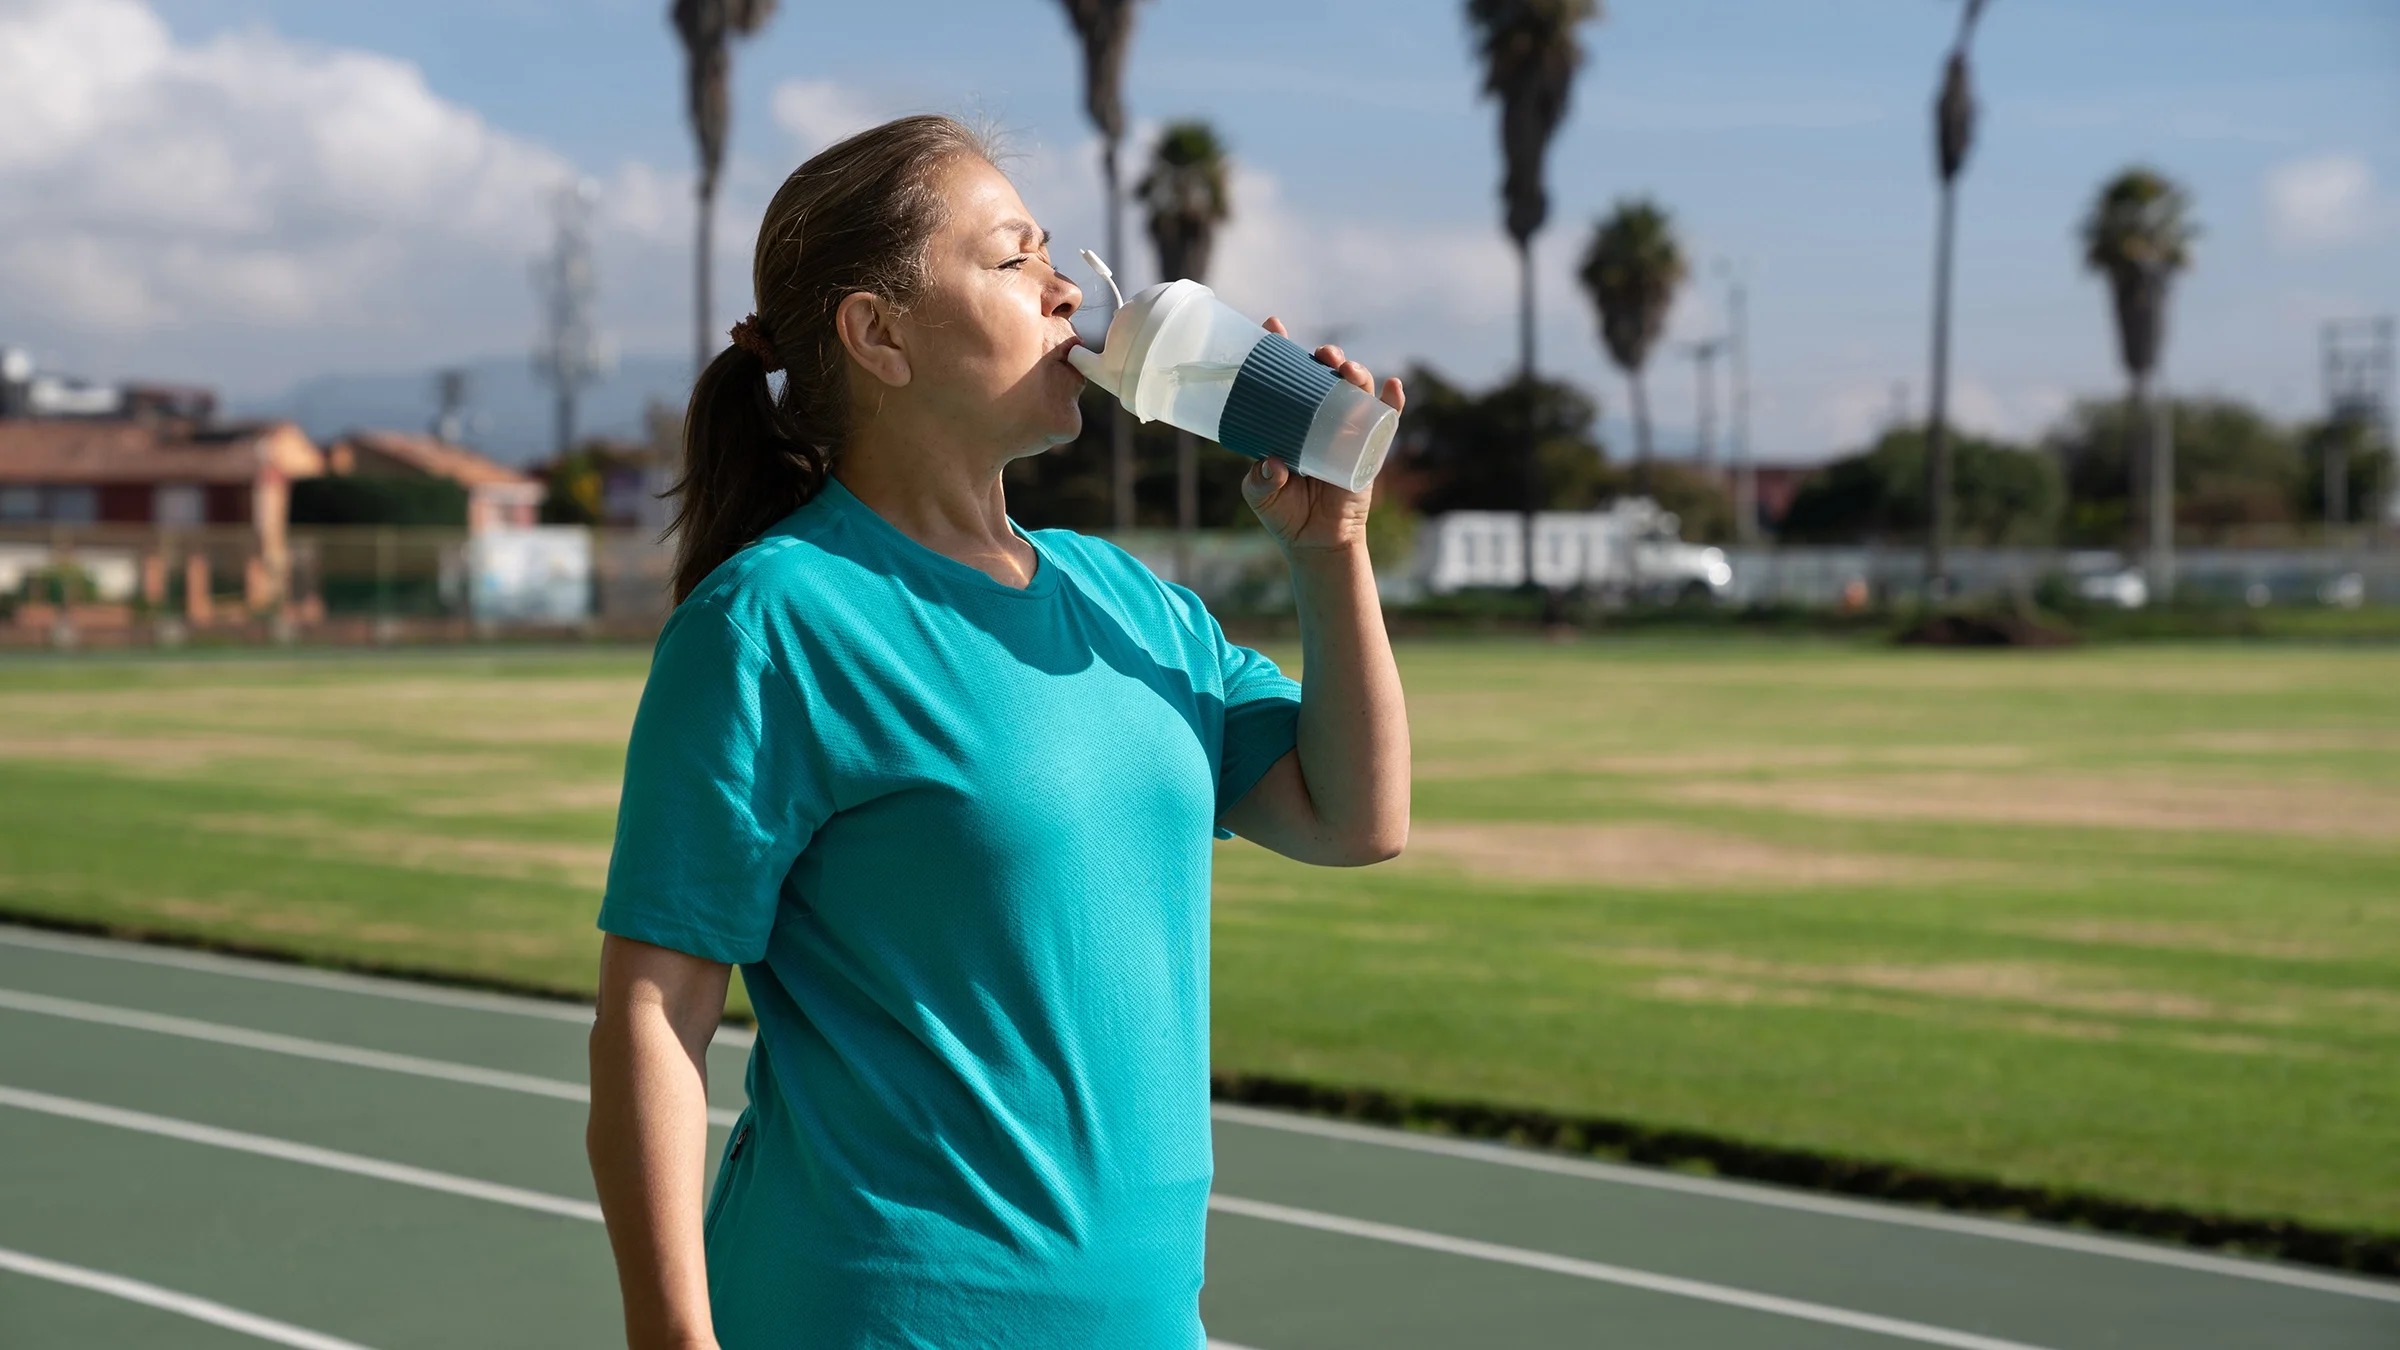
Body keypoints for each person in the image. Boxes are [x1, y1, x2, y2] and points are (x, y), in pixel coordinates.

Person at [586, 114, 1409, 1350]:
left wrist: (1329, 549)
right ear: (879, 334)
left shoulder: (1133, 604)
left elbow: (1354, 819)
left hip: (1143, 1321)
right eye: (1016, 256)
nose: (1067, 287)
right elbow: (655, 1014)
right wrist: (670, 1339)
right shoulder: (776, 622)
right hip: (871, 1318)